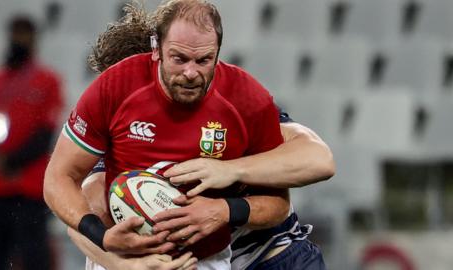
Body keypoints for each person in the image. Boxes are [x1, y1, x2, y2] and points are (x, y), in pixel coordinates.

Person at [66, 2, 334, 270]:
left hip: (266, 251)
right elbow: (82, 214)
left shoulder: (233, 104)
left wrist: (231, 171)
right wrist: (120, 264)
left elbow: (318, 159)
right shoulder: (115, 129)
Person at [0, 16, 63, 270]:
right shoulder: (1, 80)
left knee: (34, 255)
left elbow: (46, 133)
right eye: (16, 33)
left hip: (31, 186)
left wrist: (12, 160)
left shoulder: (47, 81)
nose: (19, 40)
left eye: (24, 34)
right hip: (0, 187)